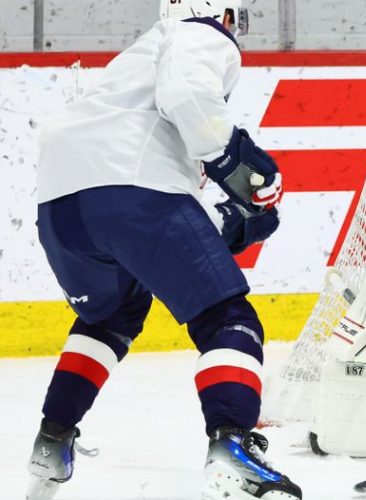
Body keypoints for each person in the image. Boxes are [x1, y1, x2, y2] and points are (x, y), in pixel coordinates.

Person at [26, 2, 300, 499]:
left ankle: (52, 440)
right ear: (225, 13)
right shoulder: (198, 34)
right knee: (228, 319)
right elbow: (188, 96)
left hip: (60, 203)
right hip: (132, 191)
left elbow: (154, 232)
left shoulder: (129, 67)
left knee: (110, 317)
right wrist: (238, 164)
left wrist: (229, 224)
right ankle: (231, 447)